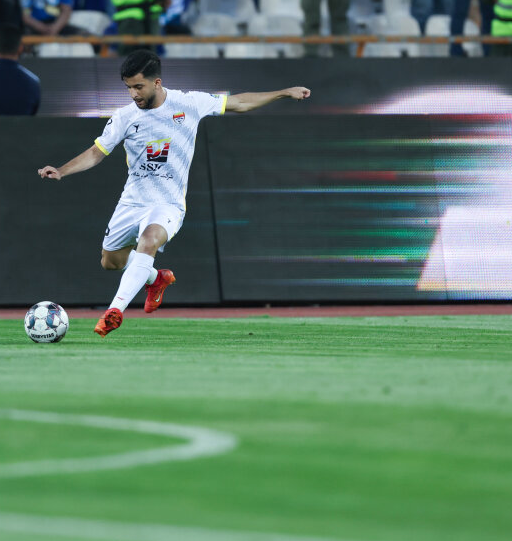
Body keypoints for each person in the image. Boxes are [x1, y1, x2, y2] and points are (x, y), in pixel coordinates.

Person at [37, 50, 310, 336]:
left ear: (157, 82)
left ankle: (113, 312)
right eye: (128, 87)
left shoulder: (188, 103)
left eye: (138, 86)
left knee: (149, 241)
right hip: (132, 202)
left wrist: (283, 93)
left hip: (168, 204)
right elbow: (97, 153)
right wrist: (62, 170)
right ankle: (156, 278)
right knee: (111, 261)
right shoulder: (125, 117)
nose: (133, 94)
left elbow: (239, 103)